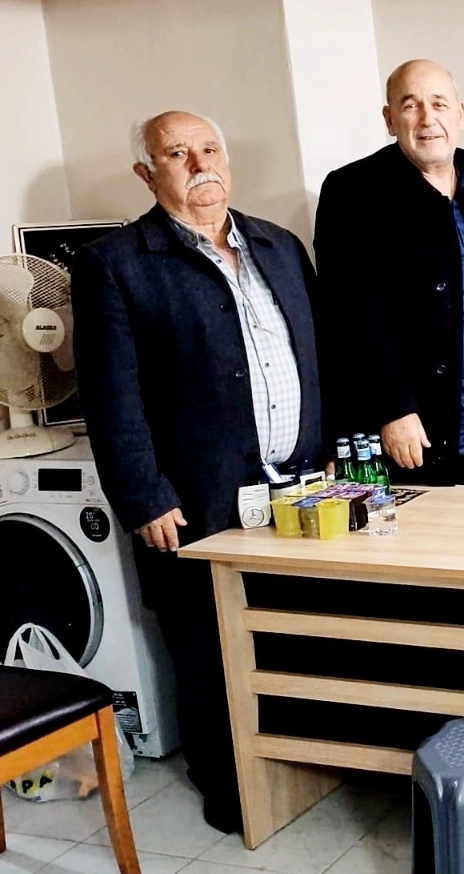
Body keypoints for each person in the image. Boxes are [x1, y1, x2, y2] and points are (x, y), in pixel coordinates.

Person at [73, 111, 324, 833]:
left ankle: (300, 764)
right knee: (207, 646)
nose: (199, 164)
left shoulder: (279, 245)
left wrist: (337, 454)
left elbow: (317, 355)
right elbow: (111, 395)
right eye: (177, 153)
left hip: (299, 486)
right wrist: (144, 496)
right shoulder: (115, 263)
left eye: (209, 149)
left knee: (296, 632)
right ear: (146, 173)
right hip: (193, 497)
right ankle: (228, 786)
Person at [314, 60, 464, 485]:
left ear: (461, 115)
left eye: (440, 104)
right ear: (389, 119)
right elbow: (349, 317)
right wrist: (393, 407)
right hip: (424, 430)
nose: (428, 118)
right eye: (411, 106)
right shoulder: (353, 192)